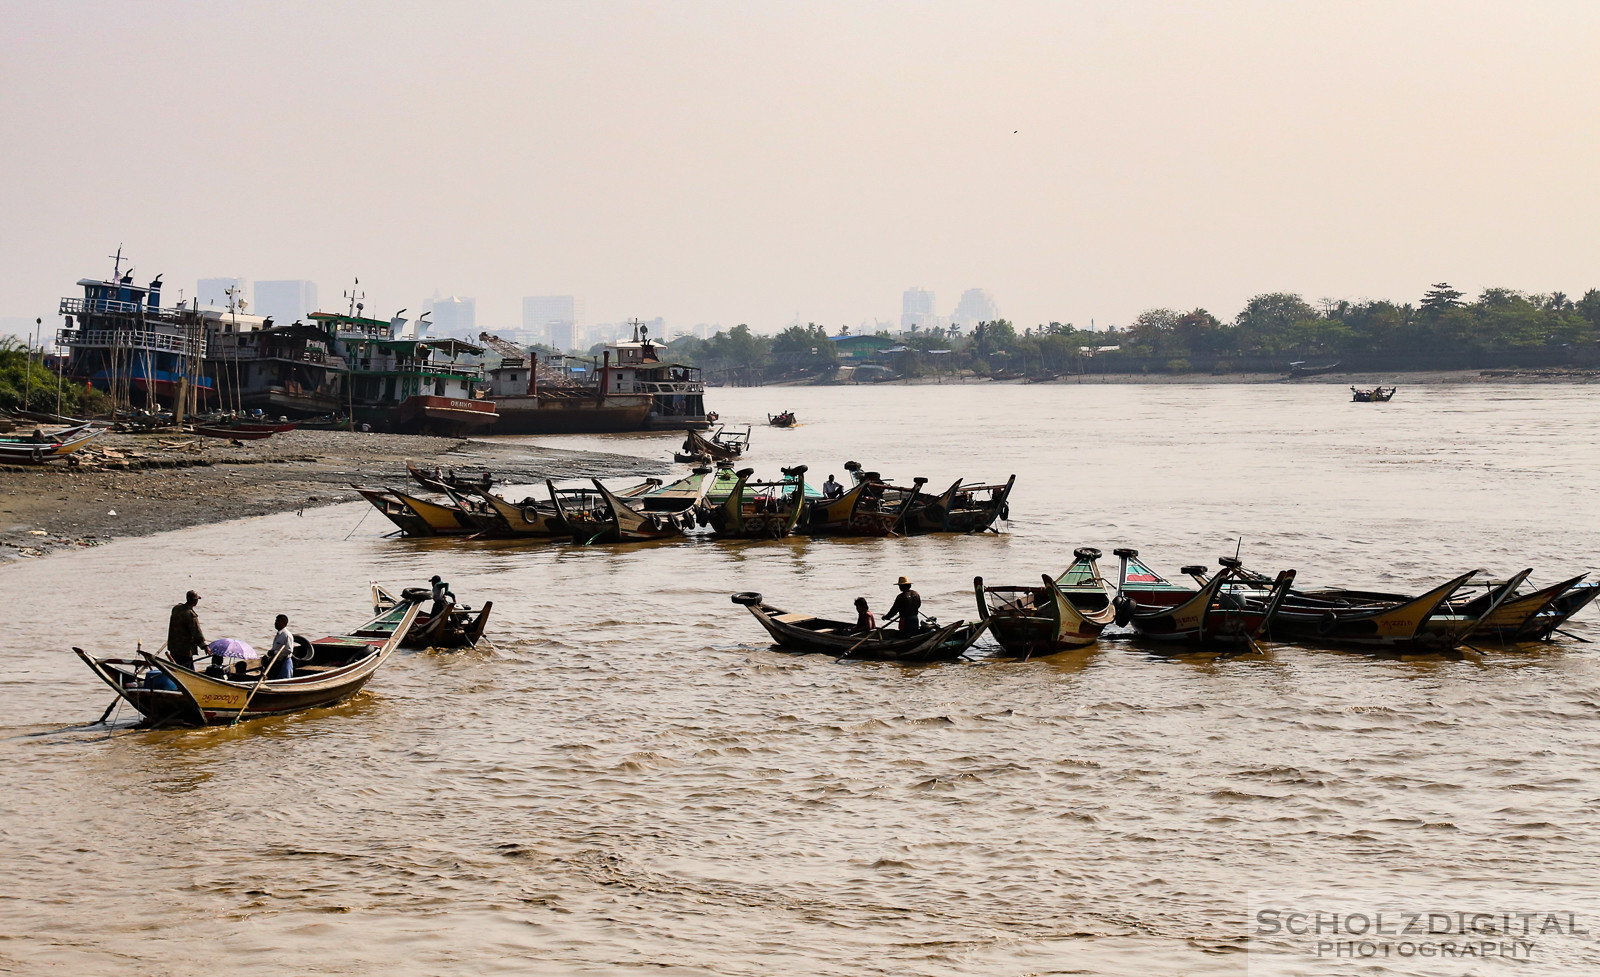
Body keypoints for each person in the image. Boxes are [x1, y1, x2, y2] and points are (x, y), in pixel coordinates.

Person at [167, 590, 207, 669]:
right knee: (188, 670)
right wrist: (205, 646)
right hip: (184, 650)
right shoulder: (190, 615)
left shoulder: (176, 608)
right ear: (195, 601)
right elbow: (197, 633)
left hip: (173, 647)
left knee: (175, 668)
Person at [264, 614, 295, 680]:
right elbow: (276, 647)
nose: (276, 623)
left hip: (284, 662)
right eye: (275, 621)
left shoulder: (286, 635)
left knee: (285, 680)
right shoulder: (279, 634)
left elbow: (289, 650)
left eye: (278, 621)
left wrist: (274, 652)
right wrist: (271, 652)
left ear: (284, 623)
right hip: (277, 661)